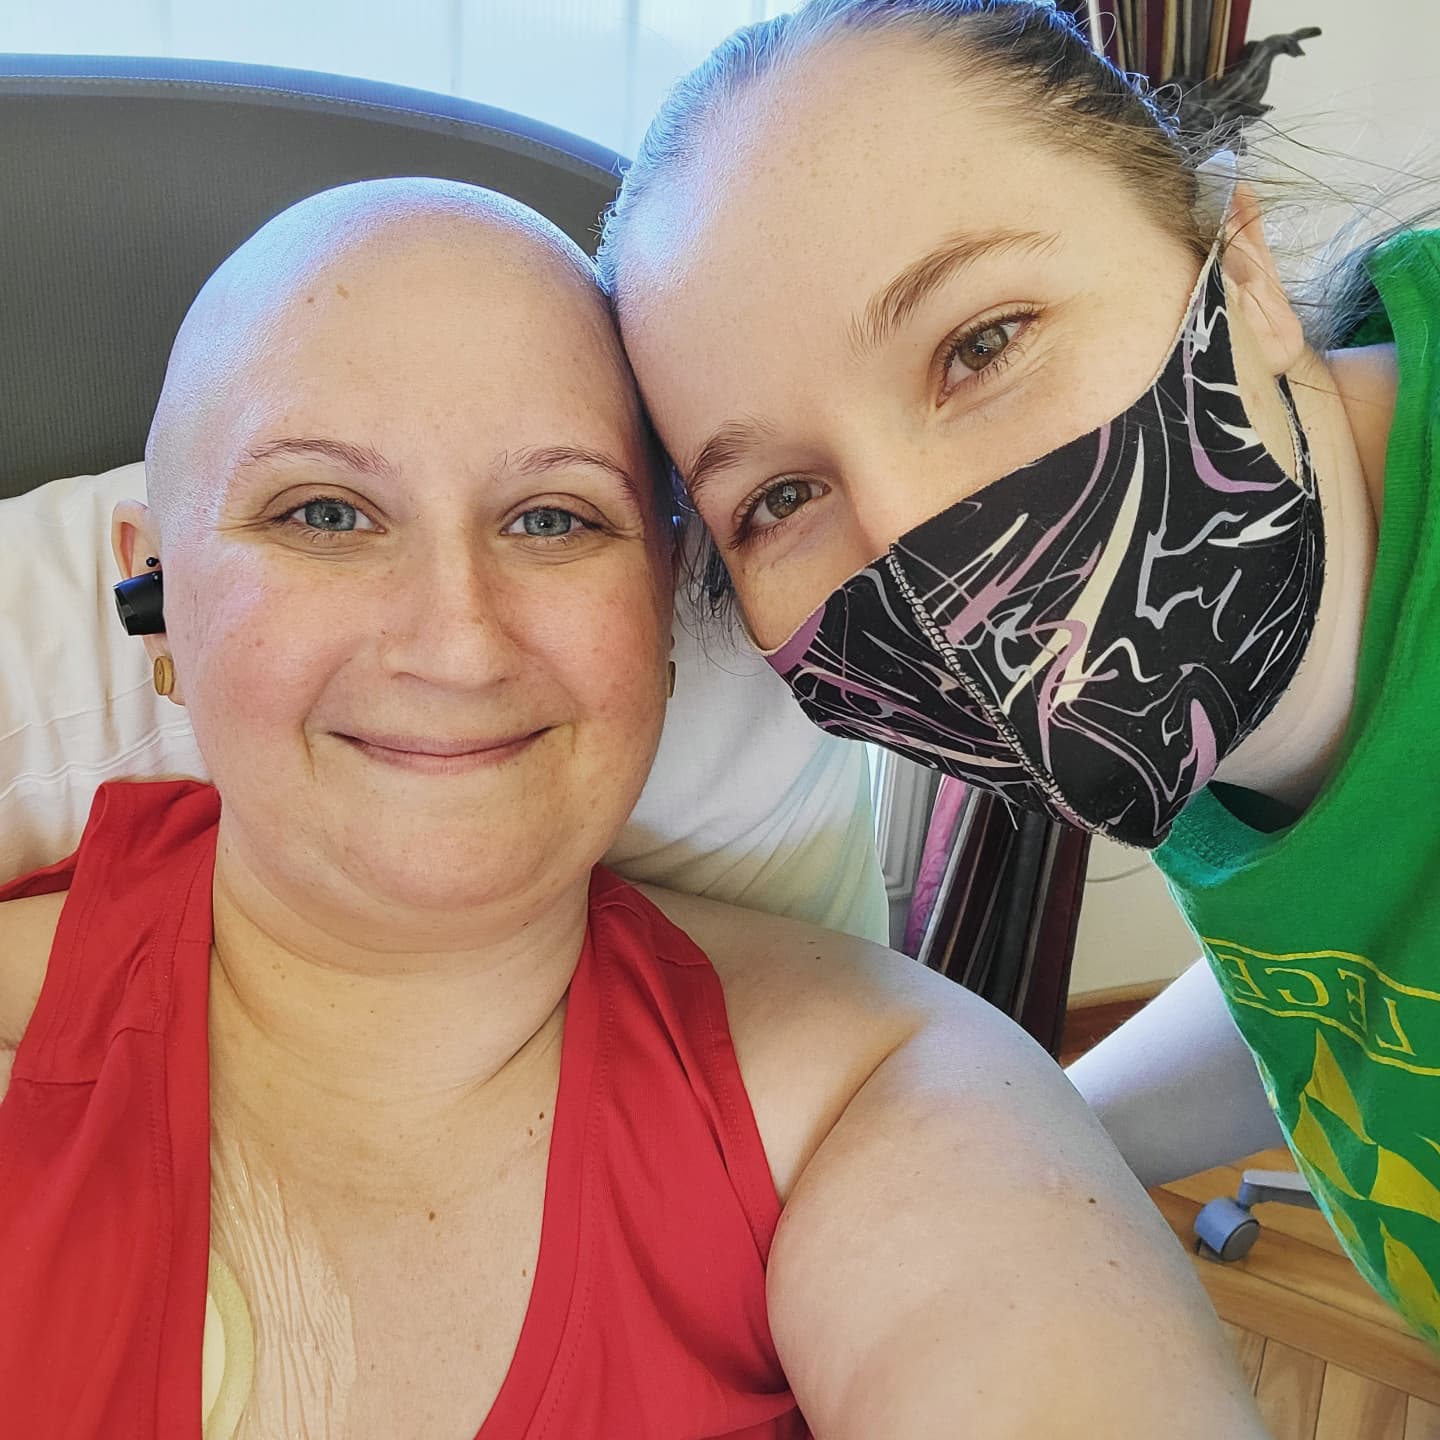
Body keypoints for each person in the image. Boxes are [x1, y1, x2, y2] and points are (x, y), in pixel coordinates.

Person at [0, 177, 1267, 1438]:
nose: (457, 642)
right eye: (324, 512)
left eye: (555, 518)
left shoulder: (871, 1098)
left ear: (665, 611)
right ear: (152, 590)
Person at [596, 0, 1439, 1343]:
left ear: (1242, 273)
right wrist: (1026, 1153)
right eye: (781, 497)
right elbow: (1339, 973)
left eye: (982, 345)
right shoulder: (1265, 662)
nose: (916, 544)